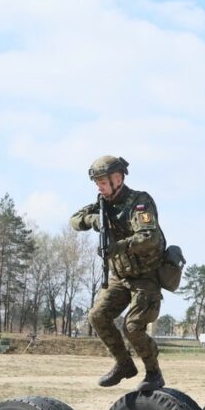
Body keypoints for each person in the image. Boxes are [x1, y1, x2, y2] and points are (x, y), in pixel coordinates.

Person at [70, 155, 167, 392]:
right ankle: (124, 365)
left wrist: (118, 246)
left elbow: (149, 236)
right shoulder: (103, 204)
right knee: (97, 316)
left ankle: (154, 372)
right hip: (121, 278)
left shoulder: (140, 202)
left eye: (103, 182)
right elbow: (74, 220)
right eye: (97, 183)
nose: (99, 187)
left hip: (146, 277)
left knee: (133, 327)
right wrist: (94, 220)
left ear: (117, 178)